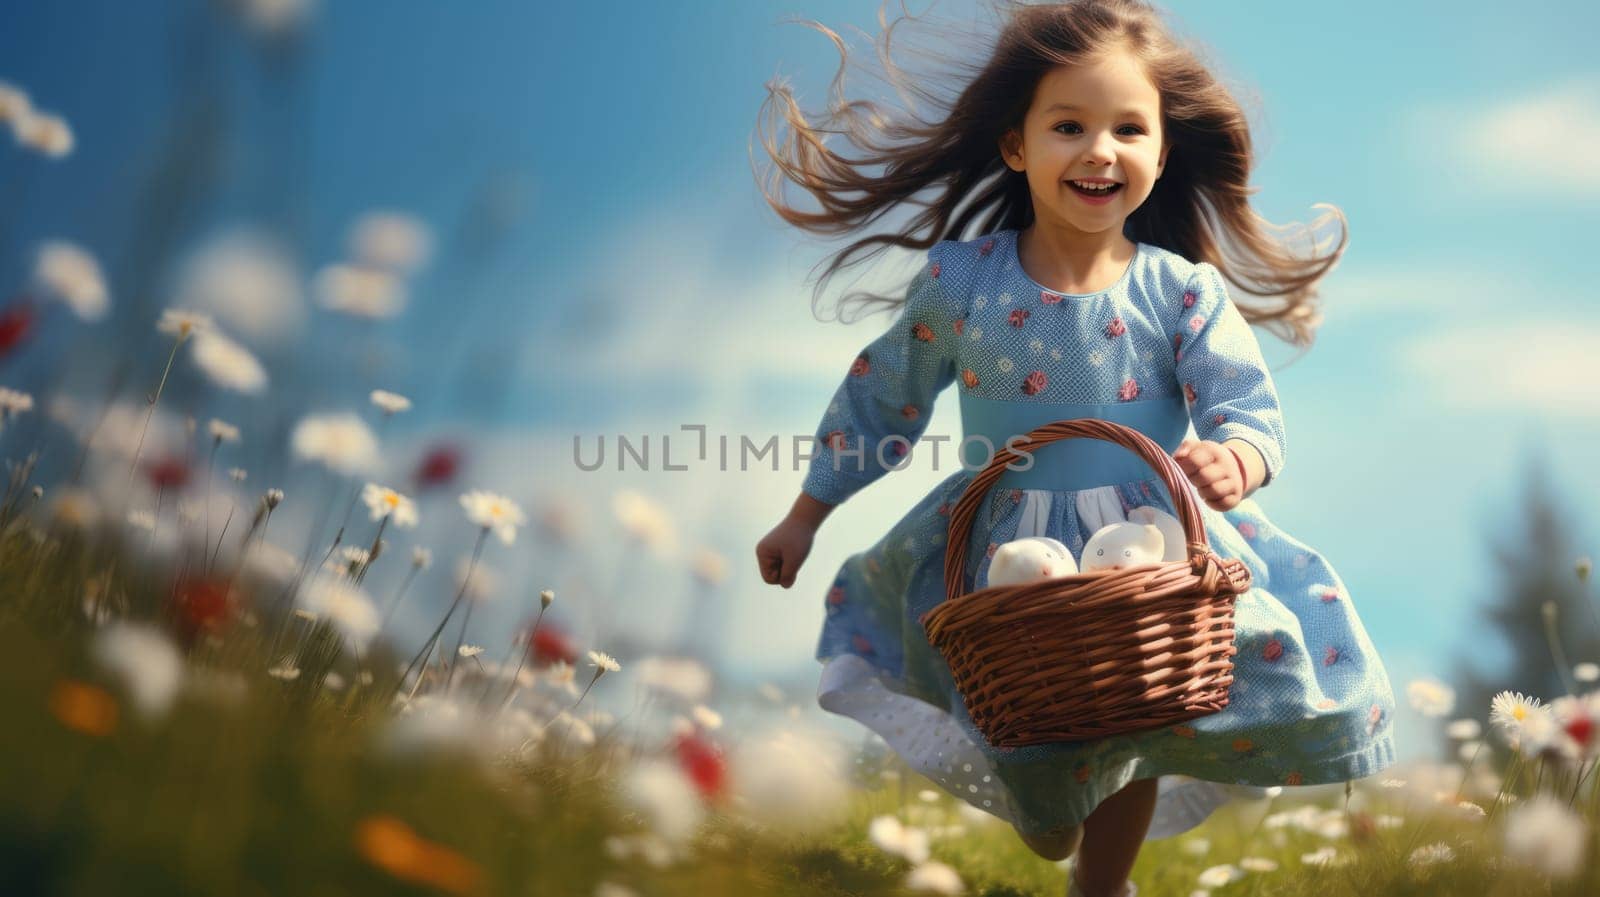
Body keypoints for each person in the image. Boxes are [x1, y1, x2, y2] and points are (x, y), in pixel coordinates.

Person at [751, 2, 1397, 896]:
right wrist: (804, 515)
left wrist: (1239, 459)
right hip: (1007, 551)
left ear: (1162, 154)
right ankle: (1057, 828)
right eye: (1070, 126)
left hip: (1152, 550)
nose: (1101, 150)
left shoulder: (1182, 293)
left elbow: (1247, 405)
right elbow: (879, 398)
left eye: (1128, 129)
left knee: (1140, 725)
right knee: (1047, 777)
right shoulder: (963, 282)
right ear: (1017, 147)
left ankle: (1104, 884)